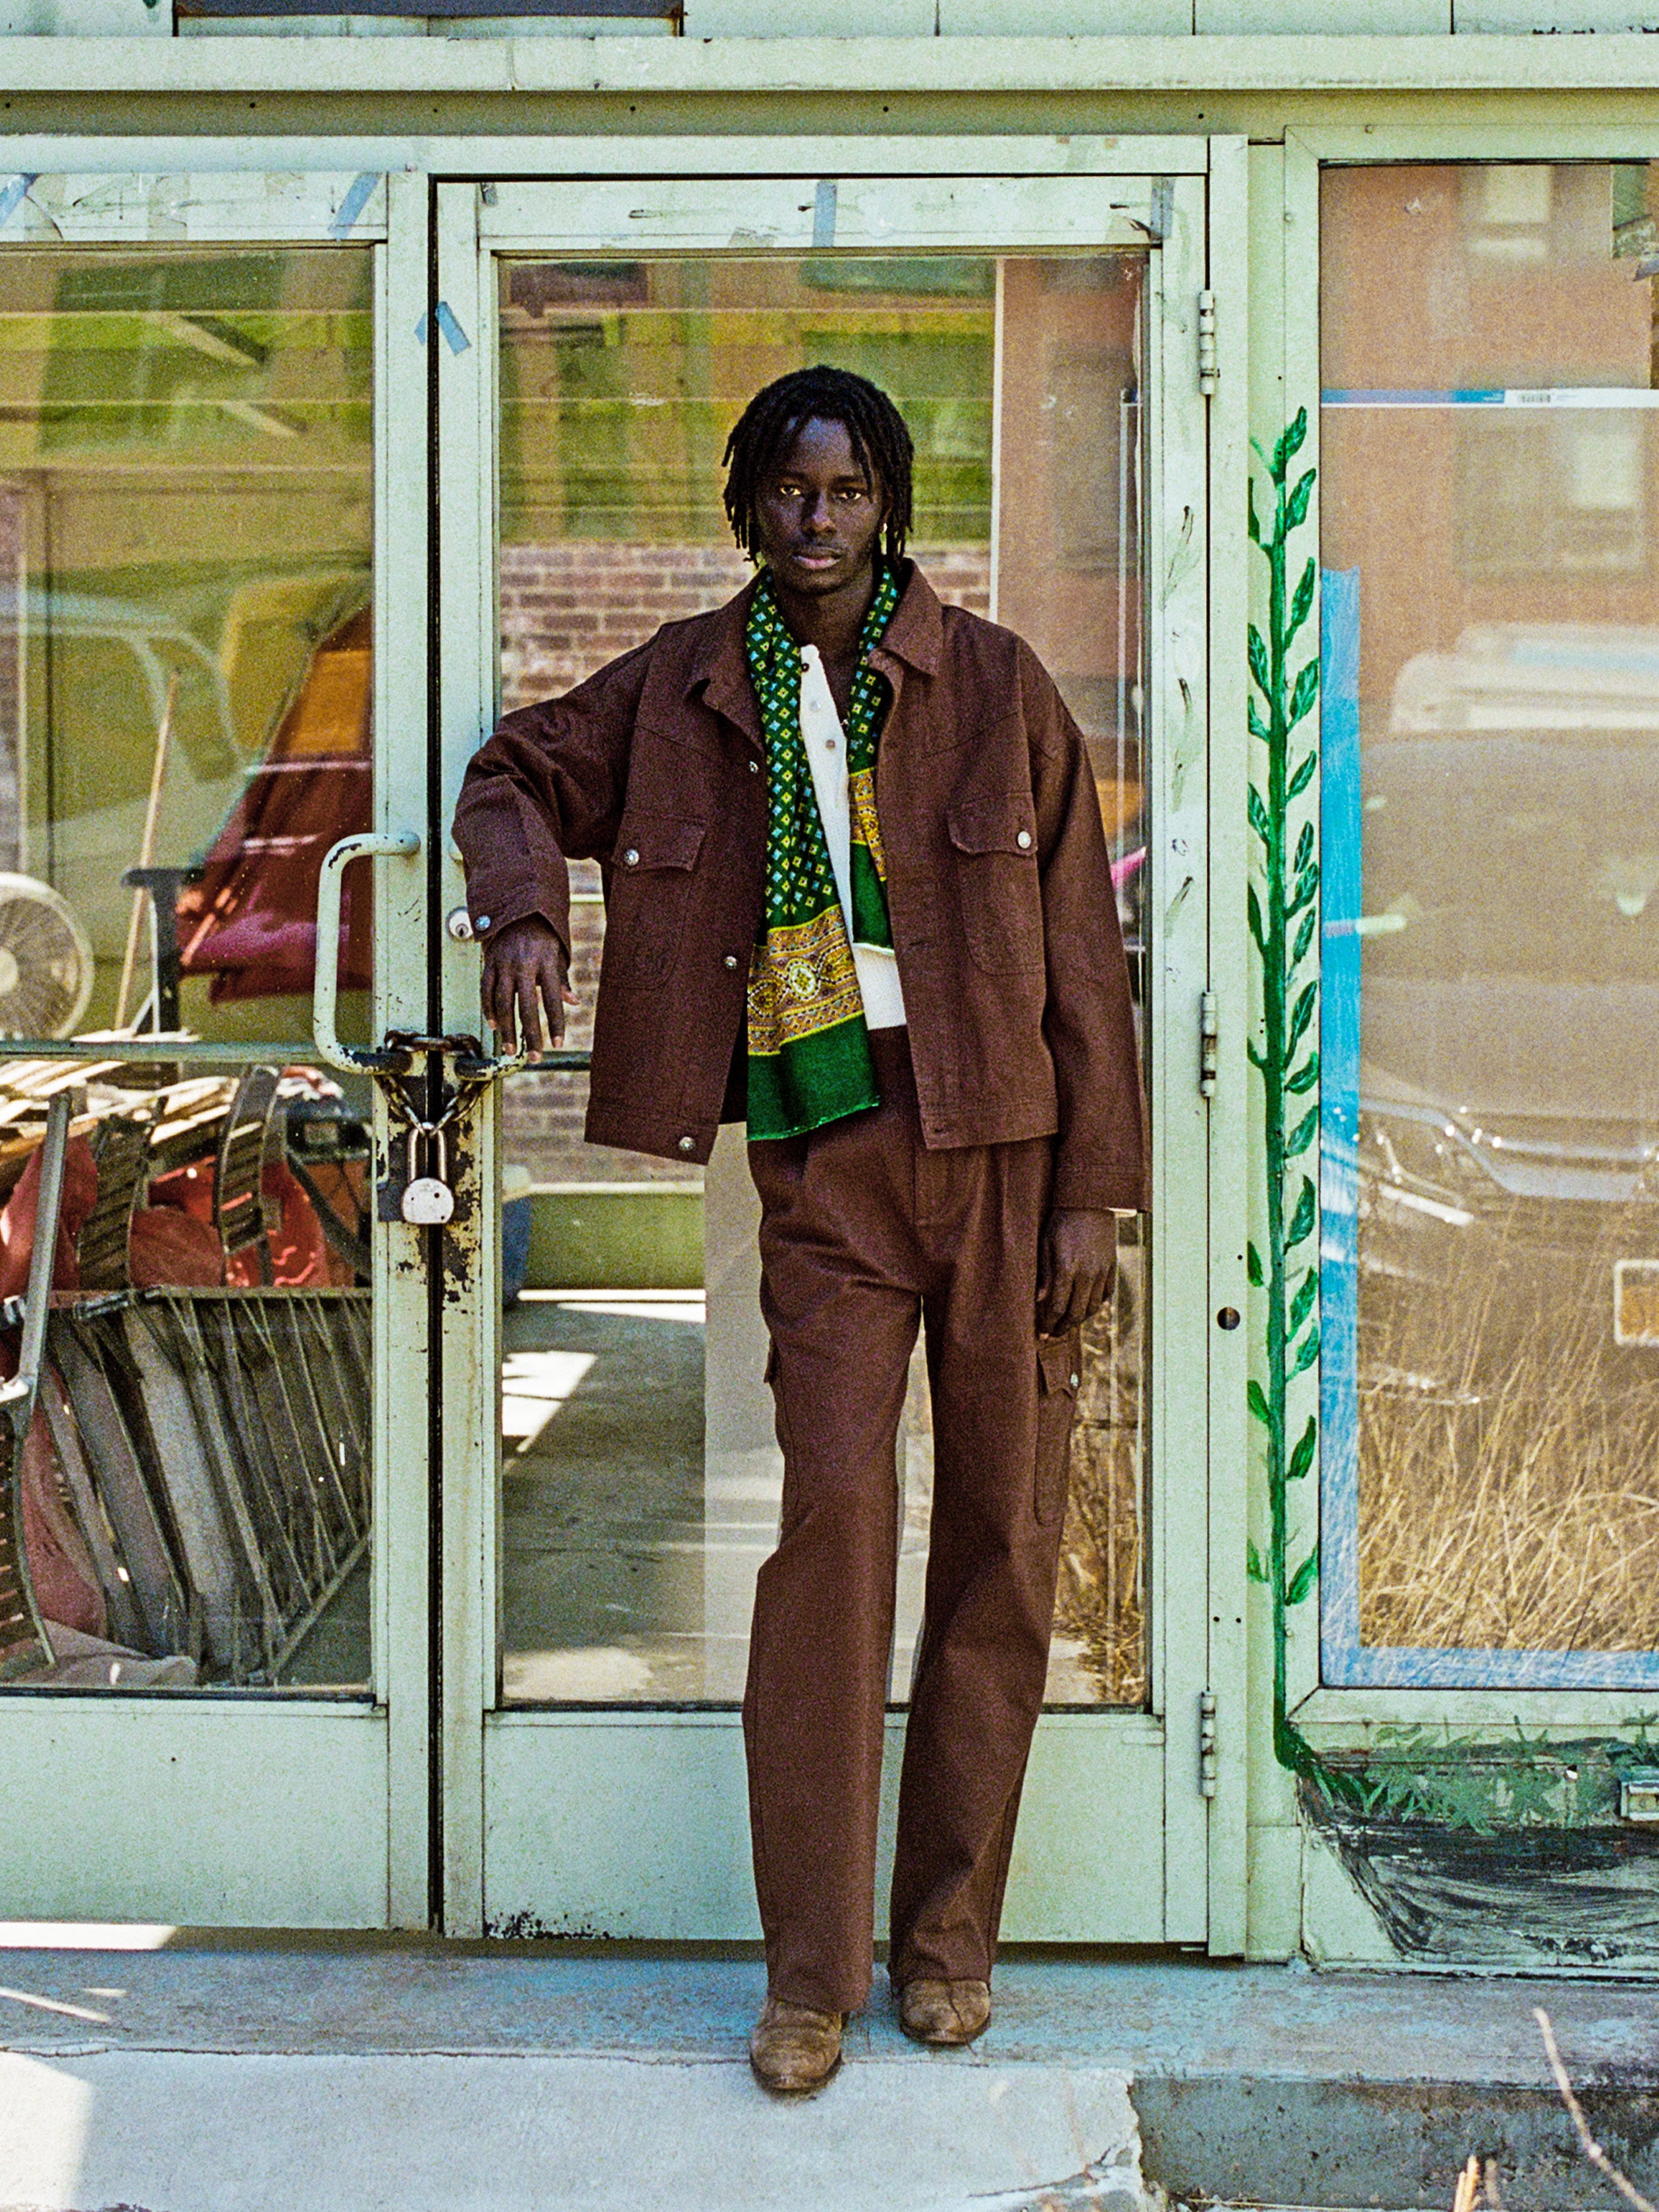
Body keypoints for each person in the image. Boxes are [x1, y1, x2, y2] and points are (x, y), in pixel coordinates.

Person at [452, 365, 1147, 2095]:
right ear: (747, 505)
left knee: (1001, 1550)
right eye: (788, 488)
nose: (817, 518)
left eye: (847, 491)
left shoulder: (997, 690)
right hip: (825, 1161)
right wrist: (524, 912)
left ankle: (947, 1948)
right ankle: (812, 1974)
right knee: (829, 1536)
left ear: (887, 505)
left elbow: (1084, 966)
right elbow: (509, 771)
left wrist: (1093, 1201)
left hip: (1003, 1151)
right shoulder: (686, 688)